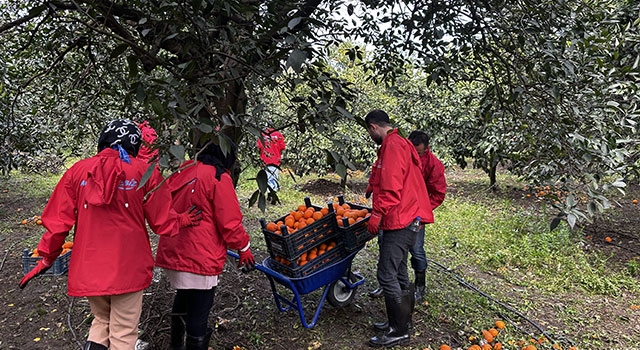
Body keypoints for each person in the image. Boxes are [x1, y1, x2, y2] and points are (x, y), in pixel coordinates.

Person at [18, 119, 202, 350]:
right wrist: (184, 219)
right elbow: (162, 222)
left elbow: (58, 224)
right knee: (123, 331)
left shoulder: (77, 172)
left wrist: (46, 257)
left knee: (101, 320)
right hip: (129, 267)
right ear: (134, 145)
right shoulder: (145, 173)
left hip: (89, 267)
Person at [155, 137, 255, 350]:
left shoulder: (184, 169)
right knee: (200, 308)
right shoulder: (218, 177)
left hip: (175, 249)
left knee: (183, 295)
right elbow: (229, 222)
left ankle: (176, 345)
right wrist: (244, 247)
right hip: (200, 254)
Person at [363, 110, 434, 348]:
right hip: (407, 216)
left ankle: (398, 331)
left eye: (369, 132)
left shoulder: (393, 146)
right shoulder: (397, 143)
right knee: (400, 271)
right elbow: (384, 176)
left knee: (386, 273)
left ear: (373, 127)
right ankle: (402, 321)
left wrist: (377, 213)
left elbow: (392, 186)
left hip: (401, 218)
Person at [369, 130, 446, 301]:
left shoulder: (433, 164)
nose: (416, 154)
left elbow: (438, 193)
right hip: (396, 211)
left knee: (416, 250)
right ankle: (391, 289)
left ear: (427, 149)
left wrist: (421, 209)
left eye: (420, 152)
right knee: (390, 250)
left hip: (412, 214)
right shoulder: (403, 153)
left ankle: (419, 285)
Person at [256, 128, 286, 200]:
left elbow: (259, 147)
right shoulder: (278, 135)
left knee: (267, 177)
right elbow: (282, 147)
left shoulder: (262, 135)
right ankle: (273, 193)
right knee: (274, 177)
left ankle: (270, 192)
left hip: (265, 160)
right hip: (275, 159)